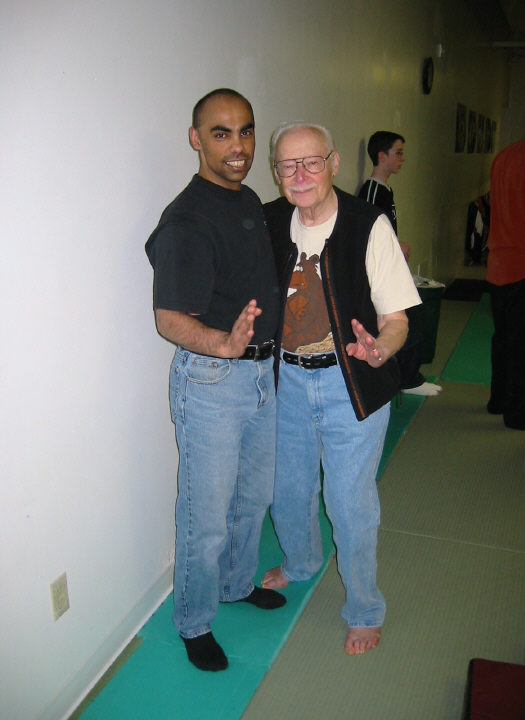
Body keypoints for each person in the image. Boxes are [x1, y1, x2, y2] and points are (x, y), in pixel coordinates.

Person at [261, 121, 421, 655]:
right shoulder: (269, 221)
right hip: (286, 379)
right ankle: (302, 560)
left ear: (332, 163)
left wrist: (381, 348)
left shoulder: (367, 225)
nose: (300, 175)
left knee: (349, 503)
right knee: (288, 489)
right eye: (287, 165)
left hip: (349, 379)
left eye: (311, 162)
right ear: (276, 171)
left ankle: (365, 608)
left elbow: (396, 319)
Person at [145, 88, 286, 672]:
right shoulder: (187, 220)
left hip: (260, 375)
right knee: (205, 518)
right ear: (196, 139)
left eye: (245, 130)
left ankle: (234, 583)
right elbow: (169, 319)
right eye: (221, 133)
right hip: (211, 382)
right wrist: (225, 345)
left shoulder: (246, 197)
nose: (238, 146)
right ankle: (194, 620)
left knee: (253, 497)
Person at [359, 131, 442, 396]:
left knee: (413, 318)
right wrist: (395, 245)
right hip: (379, 274)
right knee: (410, 317)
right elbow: (367, 233)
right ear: (381, 156)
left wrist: (397, 243)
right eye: (398, 153)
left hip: (390, 267)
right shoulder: (372, 191)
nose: (402, 159)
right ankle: (408, 380)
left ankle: (409, 377)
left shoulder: (385, 190)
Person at [486, 96, 525, 431]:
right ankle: (518, 411)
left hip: (499, 265)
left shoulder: (506, 155)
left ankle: (499, 400)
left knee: (504, 338)